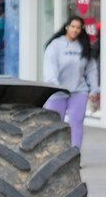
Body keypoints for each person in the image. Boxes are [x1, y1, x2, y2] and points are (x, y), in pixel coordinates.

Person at [41, 16, 99, 148]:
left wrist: (94, 88)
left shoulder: (83, 46)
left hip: (78, 91)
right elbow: (50, 67)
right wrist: (54, 85)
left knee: (76, 122)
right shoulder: (55, 45)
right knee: (53, 124)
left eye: (78, 28)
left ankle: (75, 154)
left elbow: (91, 69)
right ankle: (52, 152)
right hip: (57, 92)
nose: (75, 30)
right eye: (73, 26)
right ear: (67, 27)